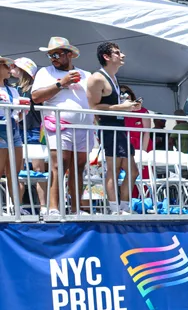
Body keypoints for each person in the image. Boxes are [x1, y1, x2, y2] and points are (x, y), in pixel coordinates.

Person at [31, 37, 96, 219]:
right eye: (50, 55)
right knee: (59, 164)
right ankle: (53, 208)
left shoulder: (86, 75)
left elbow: (94, 99)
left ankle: (76, 208)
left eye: (57, 54)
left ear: (70, 54)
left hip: (83, 127)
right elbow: (36, 97)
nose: (53, 58)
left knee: (79, 167)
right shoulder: (45, 72)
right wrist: (61, 83)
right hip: (58, 125)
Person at [86, 42, 141, 214]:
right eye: (117, 53)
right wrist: (122, 107)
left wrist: (129, 107)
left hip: (119, 127)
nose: (122, 55)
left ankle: (123, 207)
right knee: (114, 169)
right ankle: (115, 208)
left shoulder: (113, 77)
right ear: (106, 57)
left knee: (132, 171)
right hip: (109, 128)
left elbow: (112, 106)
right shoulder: (97, 78)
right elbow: (93, 107)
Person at [10, 58, 46, 211]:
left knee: (38, 170)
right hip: (18, 130)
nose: (11, 68)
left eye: (14, 66)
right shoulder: (14, 89)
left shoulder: (34, 88)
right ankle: (18, 207)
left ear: (23, 69)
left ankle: (44, 206)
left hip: (35, 129)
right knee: (18, 170)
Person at [0, 56, 24, 215]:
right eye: (5, 65)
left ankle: (17, 208)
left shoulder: (13, 90)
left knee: (14, 172)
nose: (10, 68)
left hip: (14, 129)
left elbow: (18, 113)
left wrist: (21, 113)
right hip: (1, 128)